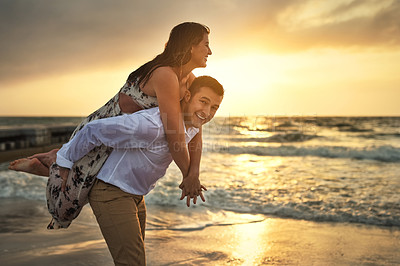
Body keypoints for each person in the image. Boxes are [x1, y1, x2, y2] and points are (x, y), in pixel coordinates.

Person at [9, 22, 212, 227]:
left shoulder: (189, 79)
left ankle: (55, 158)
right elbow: (174, 133)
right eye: (206, 45)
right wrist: (189, 177)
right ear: (190, 46)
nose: (210, 51)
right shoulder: (166, 74)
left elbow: (195, 130)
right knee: (67, 205)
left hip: (118, 138)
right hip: (102, 130)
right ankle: (53, 162)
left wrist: (193, 173)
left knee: (82, 182)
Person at [49, 76, 224, 265]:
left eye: (214, 107)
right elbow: (93, 130)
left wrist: (192, 175)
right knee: (132, 262)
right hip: (111, 192)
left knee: (136, 261)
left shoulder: (191, 124)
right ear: (187, 96)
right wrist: (64, 161)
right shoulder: (153, 125)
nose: (207, 112)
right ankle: (49, 159)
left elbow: (196, 139)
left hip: (137, 196)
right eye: (203, 102)